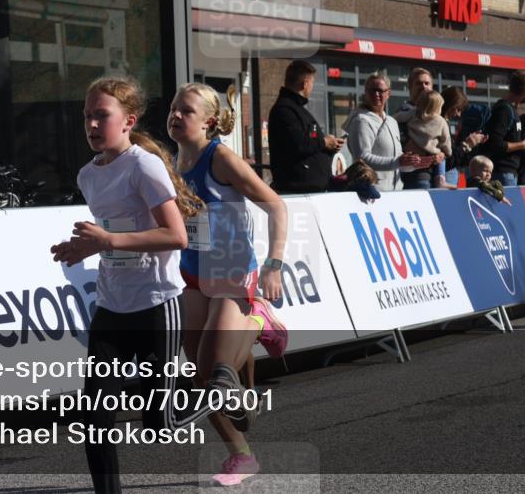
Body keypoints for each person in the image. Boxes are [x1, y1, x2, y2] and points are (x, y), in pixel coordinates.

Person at [51, 77, 244, 494]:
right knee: (94, 418)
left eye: (102, 115)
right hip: (111, 308)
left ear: (128, 121)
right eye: (87, 115)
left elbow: (175, 235)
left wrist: (109, 241)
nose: (92, 124)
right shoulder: (88, 174)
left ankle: (217, 391)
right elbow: (112, 232)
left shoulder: (144, 164)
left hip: (156, 305)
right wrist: (84, 248)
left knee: (161, 426)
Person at [168, 82, 289, 487]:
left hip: (232, 272)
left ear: (210, 121)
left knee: (216, 371)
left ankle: (257, 320)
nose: (176, 115)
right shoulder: (173, 159)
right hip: (192, 274)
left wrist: (274, 264)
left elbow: (276, 204)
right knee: (202, 377)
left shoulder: (220, 158)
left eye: (187, 110)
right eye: (174, 108)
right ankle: (242, 455)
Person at [342, 72, 428, 191]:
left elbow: (397, 163)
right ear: (365, 93)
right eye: (372, 90)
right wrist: (398, 161)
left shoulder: (392, 121)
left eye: (380, 91)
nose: (376, 94)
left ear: (388, 93)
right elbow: (362, 159)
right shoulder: (361, 120)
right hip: (372, 191)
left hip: (395, 191)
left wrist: (412, 164)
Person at [268, 61, 343, 193]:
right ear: (305, 84)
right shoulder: (285, 110)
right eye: (312, 83)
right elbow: (299, 144)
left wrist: (329, 145)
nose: (312, 87)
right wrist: (324, 142)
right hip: (297, 191)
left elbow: (311, 138)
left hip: (310, 188)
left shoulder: (298, 110)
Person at [482, 70, 525, 186]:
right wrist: (523, 144)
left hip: (509, 173)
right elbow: (495, 143)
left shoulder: (511, 110)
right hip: (502, 173)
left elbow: (511, 141)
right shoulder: (504, 110)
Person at [394, 67, 440, 189]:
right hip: (416, 176)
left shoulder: (437, 114)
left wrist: (441, 153)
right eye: (418, 83)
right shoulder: (403, 113)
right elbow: (406, 146)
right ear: (410, 88)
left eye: (427, 83)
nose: (424, 87)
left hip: (435, 174)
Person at [404, 91, 452, 188]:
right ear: (437, 107)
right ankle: (440, 178)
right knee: (441, 155)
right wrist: (447, 152)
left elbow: (398, 117)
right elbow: (446, 143)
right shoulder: (441, 121)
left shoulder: (412, 114)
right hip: (430, 160)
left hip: (410, 159)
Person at [441, 86, 485, 187]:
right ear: (450, 104)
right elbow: (448, 160)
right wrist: (467, 145)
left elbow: (452, 158)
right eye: (458, 109)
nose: (458, 114)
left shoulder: (443, 123)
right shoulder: (439, 123)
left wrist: (471, 144)